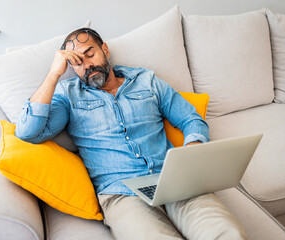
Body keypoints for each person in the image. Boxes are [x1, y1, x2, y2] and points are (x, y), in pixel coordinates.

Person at [15, 28, 247, 240]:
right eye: (77, 62)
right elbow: (28, 132)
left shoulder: (147, 81)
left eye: (90, 53)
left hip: (173, 179)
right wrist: (54, 73)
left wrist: (194, 146)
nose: (87, 65)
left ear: (104, 49)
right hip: (121, 193)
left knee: (228, 234)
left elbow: (190, 118)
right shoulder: (68, 95)